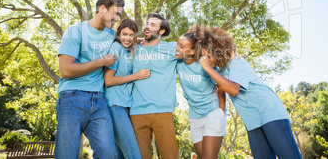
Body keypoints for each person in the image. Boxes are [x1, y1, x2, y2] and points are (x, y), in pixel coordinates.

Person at [191, 24, 302, 159]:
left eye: (208, 56)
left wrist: (208, 69)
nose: (205, 60)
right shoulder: (220, 72)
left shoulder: (237, 63)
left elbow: (234, 90)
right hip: (252, 121)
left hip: (269, 112)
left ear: (218, 51)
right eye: (202, 57)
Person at [55, 0, 125, 159]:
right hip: (71, 97)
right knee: (67, 153)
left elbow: (129, 40)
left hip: (99, 100)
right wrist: (100, 61)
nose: (117, 18)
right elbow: (65, 70)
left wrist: (144, 41)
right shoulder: (75, 31)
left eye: (119, 15)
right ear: (102, 9)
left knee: (108, 153)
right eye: (115, 13)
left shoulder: (110, 34)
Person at [129, 13, 179, 159]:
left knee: (170, 155)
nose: (147, 27)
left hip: (163, 110)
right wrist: (136, 40)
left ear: (161, 31)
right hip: (137, 111)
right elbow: (113, 36)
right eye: (147, 23)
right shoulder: (135, 48)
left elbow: (197, 49)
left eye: (153, 25)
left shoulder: (172, 48)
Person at [175, 31, 227, 159]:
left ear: (193, 51)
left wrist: (221, 110)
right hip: (195, 117)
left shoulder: (204, 64)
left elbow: (221, 85)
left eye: (182, 46)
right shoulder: (177, 62)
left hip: (212, 113)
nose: (177, 48)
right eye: (177, 44)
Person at [104, 18, 150, 159]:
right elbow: (108, 80)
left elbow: (135, 41)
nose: (127, 38)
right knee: (133, 154)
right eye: (124, 34)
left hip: (127, 104)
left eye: (131, 35)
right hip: (114, 104)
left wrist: (140, 40)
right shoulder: (115, 48)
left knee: (122, 156)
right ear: (118, 34)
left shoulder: (129, 49)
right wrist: (136, 76)